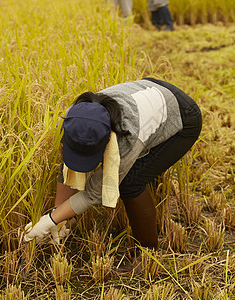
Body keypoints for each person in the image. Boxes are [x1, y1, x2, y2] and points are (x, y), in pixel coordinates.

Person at [24, 78, 202, 271]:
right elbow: (66, 168)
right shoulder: (73, 120)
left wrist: (51, 220)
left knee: (131, 181)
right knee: (137, 172)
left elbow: (95, 193)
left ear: (109, 138)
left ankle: (147, 255)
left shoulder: (129, 135)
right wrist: (57, 213)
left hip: (183, 115)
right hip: (151, 92)